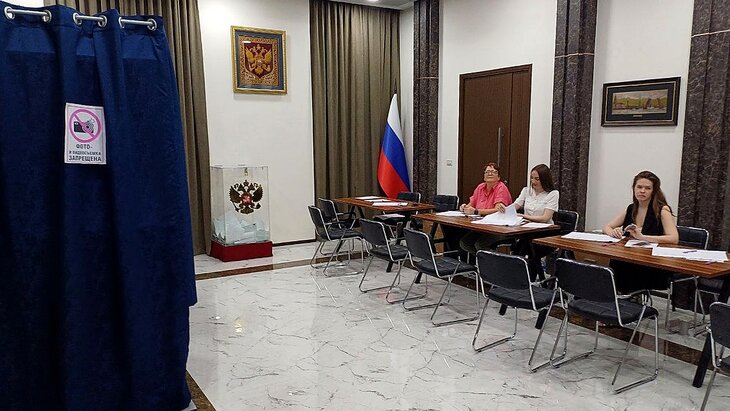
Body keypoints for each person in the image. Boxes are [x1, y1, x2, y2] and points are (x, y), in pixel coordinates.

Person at [602, 170, 679, 293]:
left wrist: (643, 237)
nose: (642, 191)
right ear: (634, 188)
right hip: (630, 256)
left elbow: (674, 238)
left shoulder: (662, 210)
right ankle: (619, 298)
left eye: (647, 188)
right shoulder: (631, 208)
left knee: (626, 267)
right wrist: (614, 232)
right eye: (639, 187)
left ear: (654, 191)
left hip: (652, 261)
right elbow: (607, 226)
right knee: (616, 262)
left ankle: (630, 298)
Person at [509, 164, 560, 277]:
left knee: (526, 247)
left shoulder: (553, 194)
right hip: (526, 231)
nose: (533, 181)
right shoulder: (526, 191)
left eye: (537, 179)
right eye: (532, 178)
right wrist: (505, 210)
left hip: (545, 234)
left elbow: (545, 218)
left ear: (544, 179)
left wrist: (524, 216)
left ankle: (522, 276)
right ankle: (523, 276)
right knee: (523, 245)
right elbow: (515, 206)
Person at [457, 162, 513, 254]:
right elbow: (471, 205)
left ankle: (489, 261)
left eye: (493, 172)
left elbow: (497, 210)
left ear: (498, 177)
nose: (490, 174)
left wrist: (476, 211)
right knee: (465, 243)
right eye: (487, 172)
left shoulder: (501, 188)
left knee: (480, 244)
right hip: (482, 226)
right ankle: (481, 260)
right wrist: (464, 207)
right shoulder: (480, 187)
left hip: (498, 228)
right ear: (484, 176)